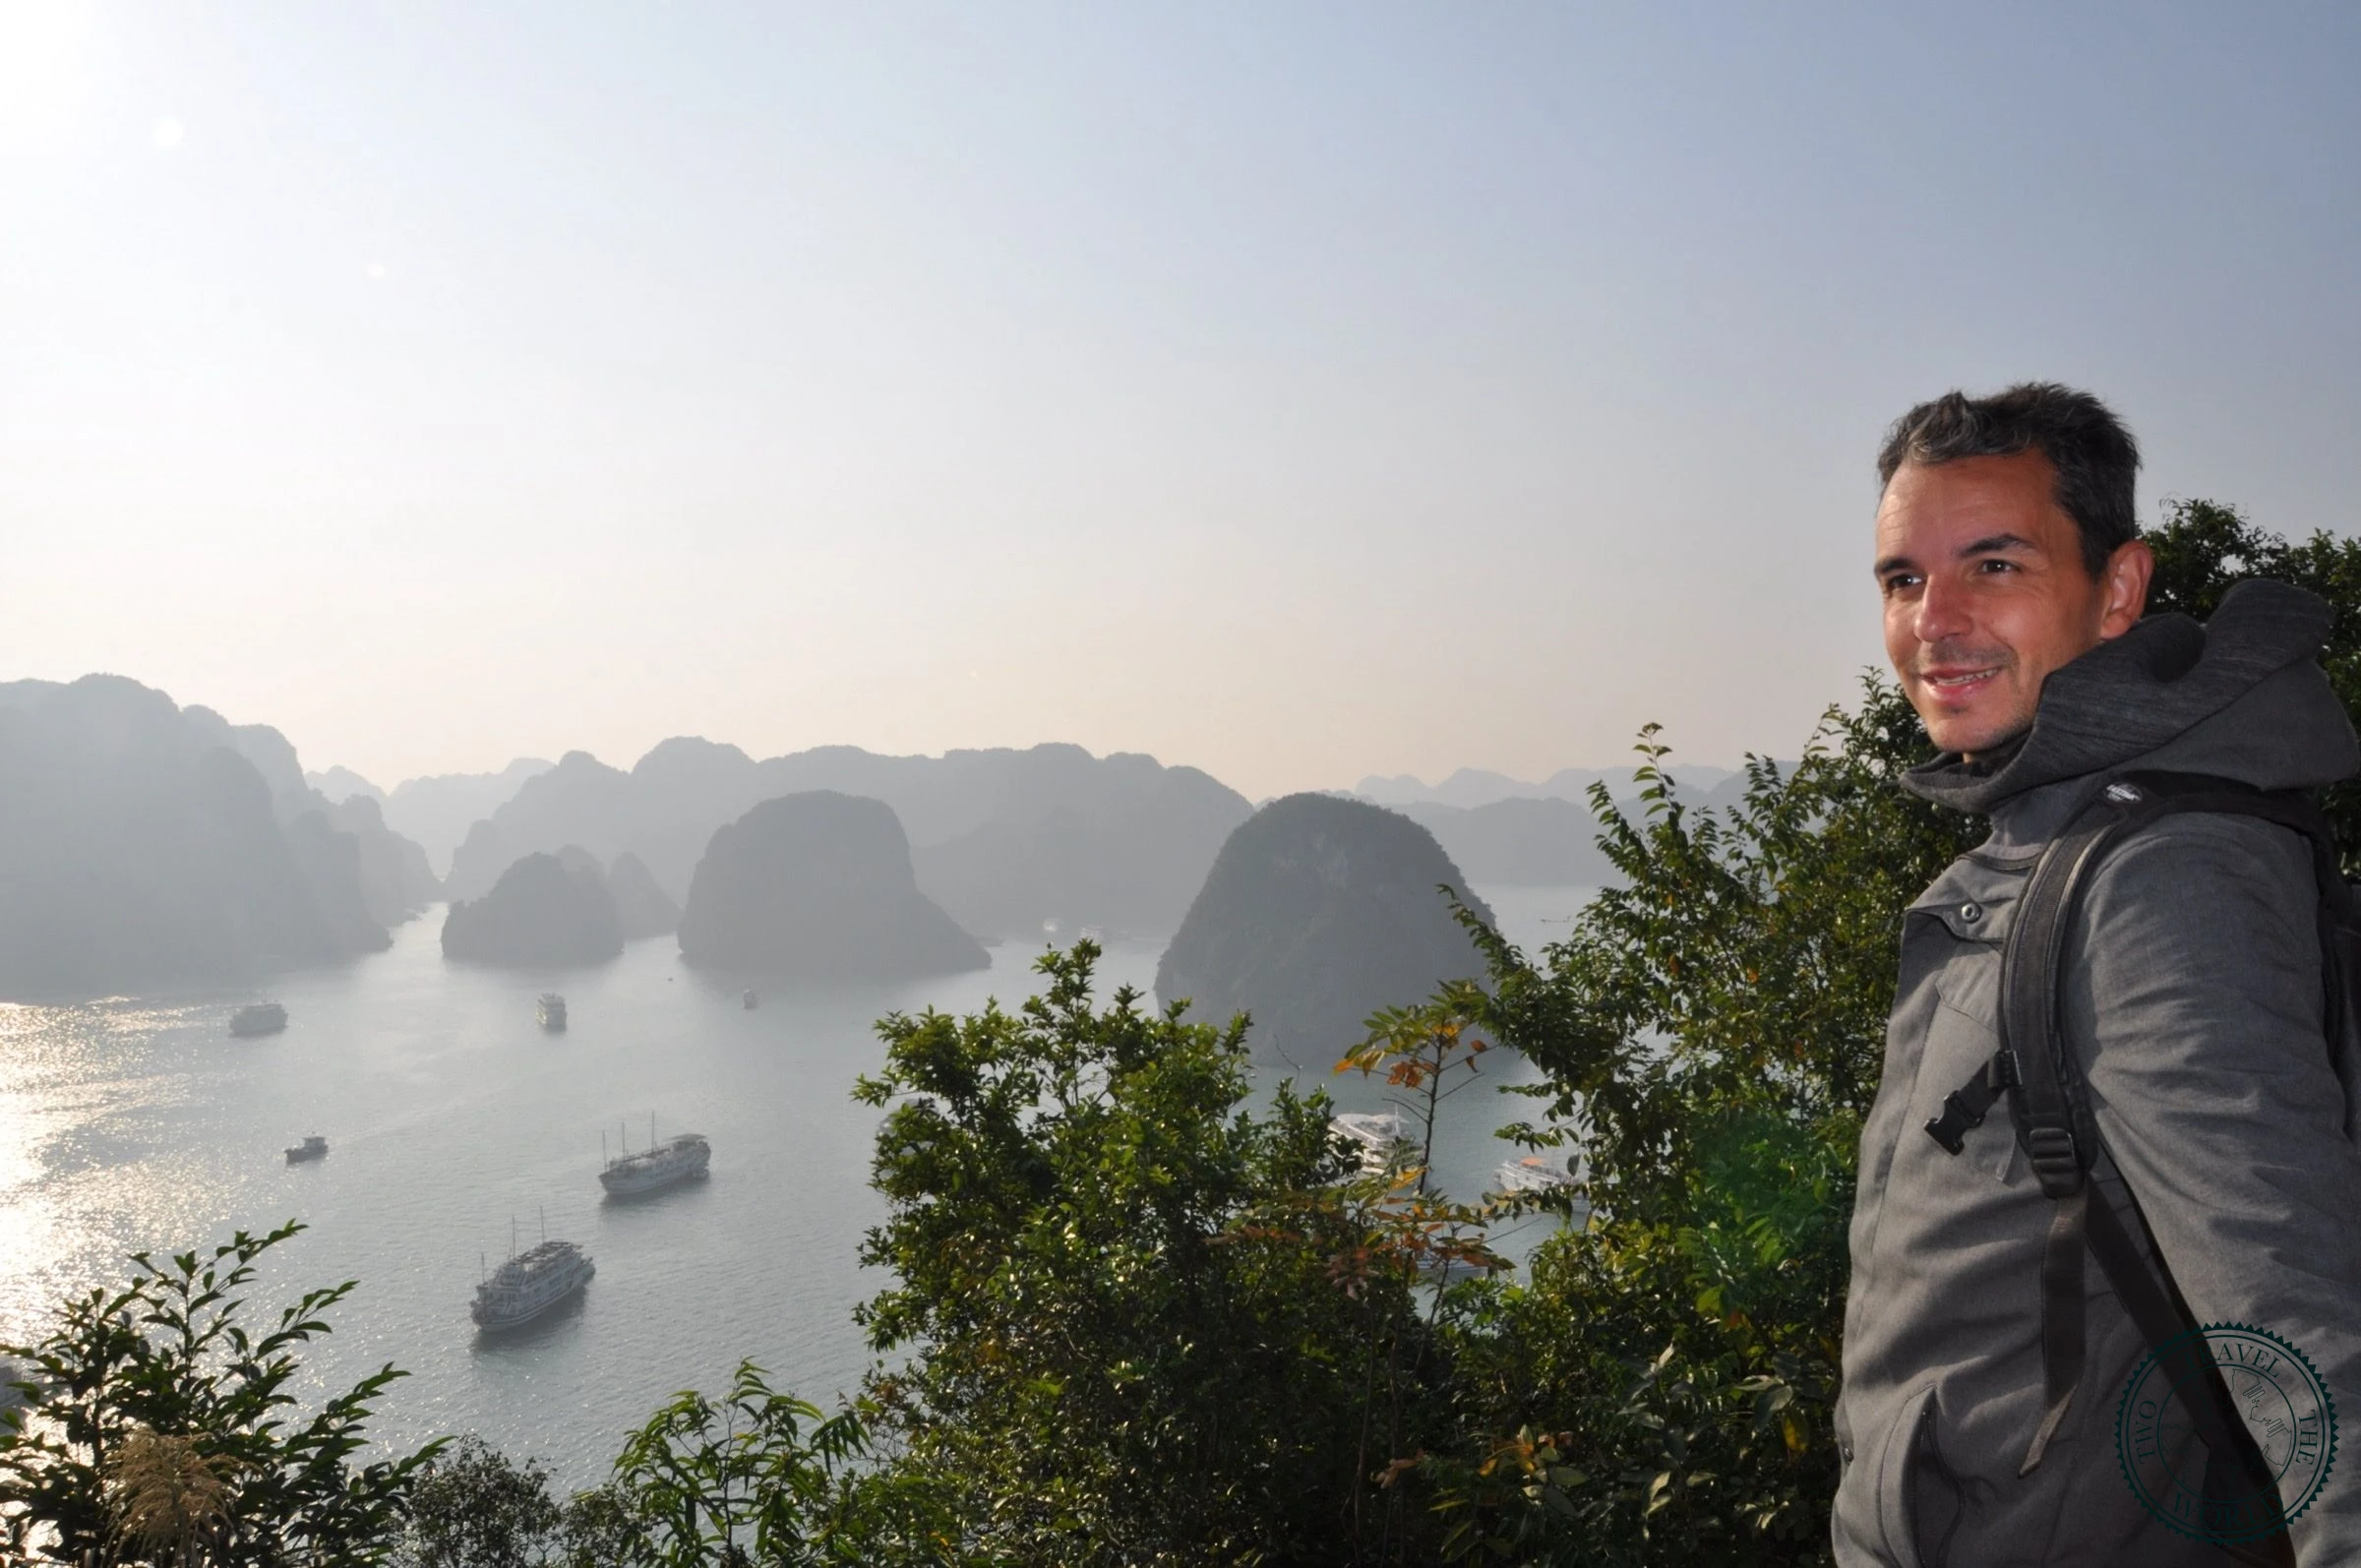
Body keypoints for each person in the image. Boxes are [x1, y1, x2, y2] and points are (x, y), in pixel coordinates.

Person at [1832, 383, 2361, 1565]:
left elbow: (2305, 1327)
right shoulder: (2056, 835)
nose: (1935, 621)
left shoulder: (2154, 881)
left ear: (2118, 588)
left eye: (1996, 566)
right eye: (1903, 579)